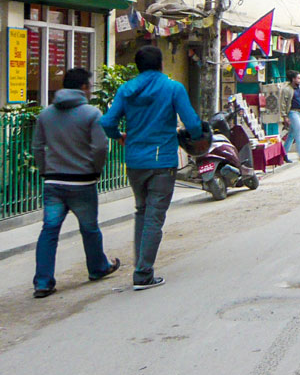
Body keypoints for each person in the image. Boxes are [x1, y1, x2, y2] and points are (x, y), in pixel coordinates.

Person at [100, 45, 203, 291]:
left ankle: (141, 266)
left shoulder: (126, 90)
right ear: (160, 65)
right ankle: (143, 273)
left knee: (142, 212)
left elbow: (107, 122)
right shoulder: (173, 88)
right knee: (154, 217)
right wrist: (197, 136)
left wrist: (119, 135)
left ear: (138, 66)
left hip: (135, 161)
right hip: (162, 161)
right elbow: (192, 124)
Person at [31, 68, 121, 298]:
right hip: (82, 182)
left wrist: (45, 171)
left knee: (49, 230)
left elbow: (37, 147)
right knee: (89, 228)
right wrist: (95, 169)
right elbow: (100, 147)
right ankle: (98, 267)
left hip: (53, 182)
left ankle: (43, 282)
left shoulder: (46, 114)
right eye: (89, 86)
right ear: (83, 87)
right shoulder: (91, 114)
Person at [281, 70, 300, 162]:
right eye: (298, 78)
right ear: (293, 79)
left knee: (291, 134)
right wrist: (285, 116)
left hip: (299, 112)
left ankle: (283, 154)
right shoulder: (286, 89)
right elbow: (283, 104)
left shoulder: (299, 87)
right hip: (292, 113)